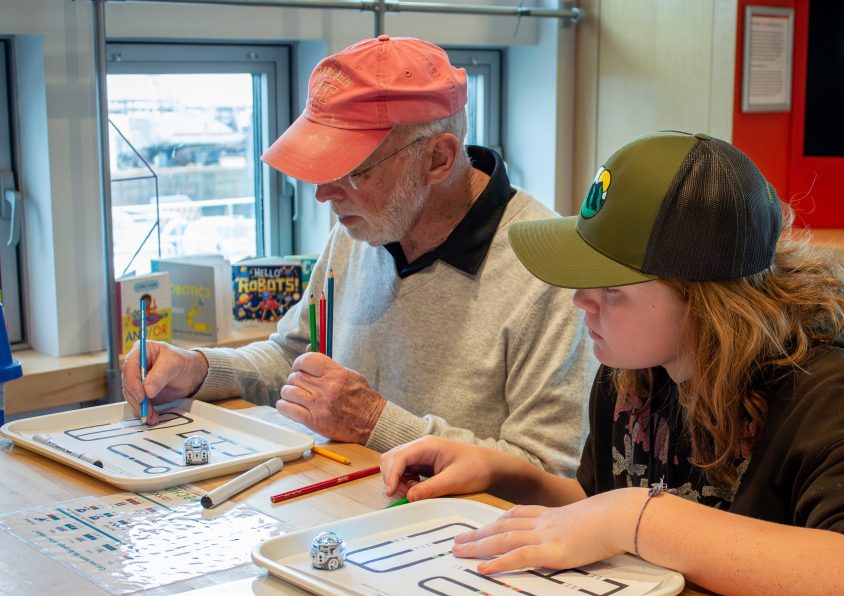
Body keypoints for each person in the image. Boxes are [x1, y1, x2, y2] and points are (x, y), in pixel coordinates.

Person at [380, 131, 844, 596]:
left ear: (705, 300)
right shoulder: (636, 364)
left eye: (611, 288)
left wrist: (641, 519)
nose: (581, 301)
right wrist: (503, 473)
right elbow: (599, 503)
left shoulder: (820, 385)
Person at [121, 36, 591, 475]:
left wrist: (374, 423)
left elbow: (549, 472)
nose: (324, 194)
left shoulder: (546, 271)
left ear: (438, 160)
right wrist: (199, 369)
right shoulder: (363, 228)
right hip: (343, 512)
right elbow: (295, 360)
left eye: (351, 171)